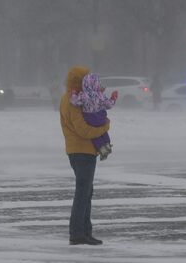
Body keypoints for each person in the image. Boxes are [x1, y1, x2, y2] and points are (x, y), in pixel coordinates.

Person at [60, 66, 110, 245]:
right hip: (82, 151)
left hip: (81, 151)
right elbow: (83, 129)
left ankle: (85, 232)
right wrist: (105, 126)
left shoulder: (74, 98)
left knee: (86, 192)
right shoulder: (72, 102)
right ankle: (77, 234)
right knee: (83, 193)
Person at [70, 73, 118, 161]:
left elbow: (75, 102)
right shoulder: (100, 95)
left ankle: (102, 148)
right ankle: (107, 143)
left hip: (90, 118)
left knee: (94, 134)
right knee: (103, 131)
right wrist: (113, 98)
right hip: (101, 117)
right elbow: (109, 105)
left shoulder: (83, 95)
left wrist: (73, 93)